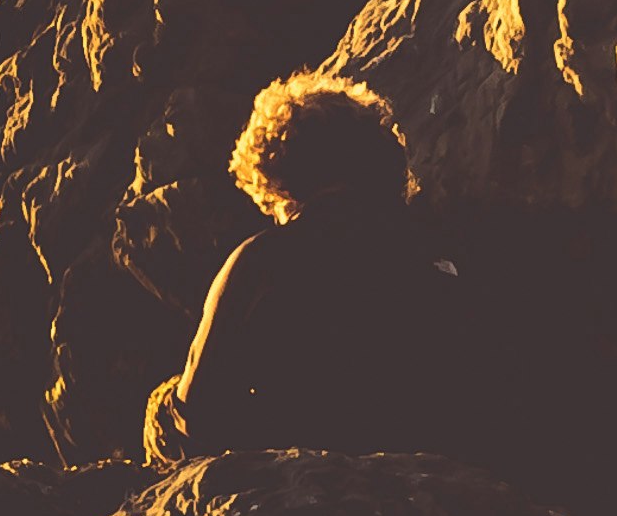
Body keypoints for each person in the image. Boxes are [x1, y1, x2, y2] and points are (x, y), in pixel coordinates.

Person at [142, 73, 465, 463]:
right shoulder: (434, 255)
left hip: (304, 471)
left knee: (164, 408)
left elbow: (200, 414)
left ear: (278, 178)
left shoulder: (261, 260)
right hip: (426, 461)